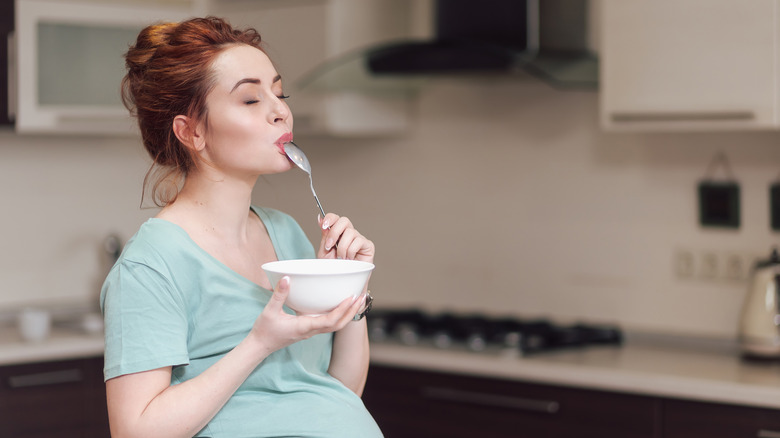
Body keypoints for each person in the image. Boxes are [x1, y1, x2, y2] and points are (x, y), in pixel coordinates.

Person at [100, 16, 381, 438]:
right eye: (251, 100)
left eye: (280, 93)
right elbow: (136, 431)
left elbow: (337, 390)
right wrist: (259, 343)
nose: (281, 110)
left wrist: (350, 287)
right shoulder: (150, 266)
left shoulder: (285, 234)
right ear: (191, 131)